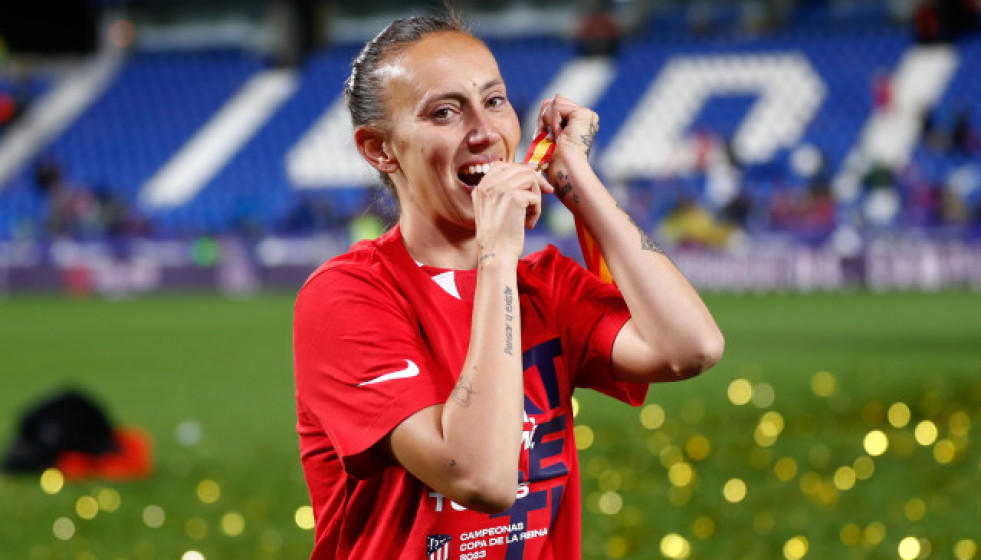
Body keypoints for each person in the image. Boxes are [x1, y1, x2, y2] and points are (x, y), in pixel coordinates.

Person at [292, 10, 724, 560]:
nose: (484, 132)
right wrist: (496, 256)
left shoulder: (544, 281)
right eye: (445, 112)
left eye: (494, 101)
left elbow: (693, 347)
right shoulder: (346, 298)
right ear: (379, 149)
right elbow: (482, 478)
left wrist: (576, 180)